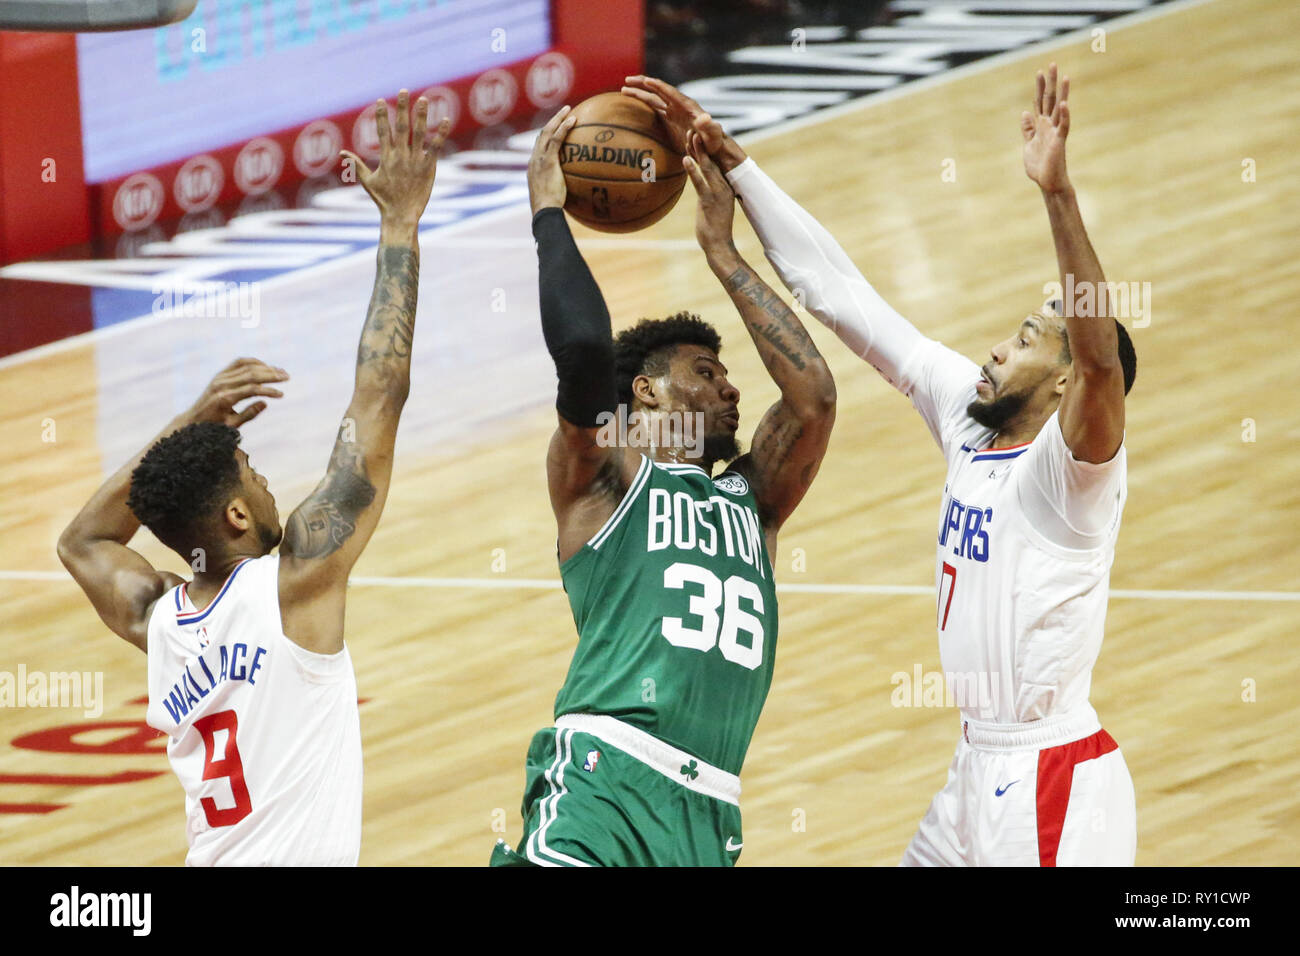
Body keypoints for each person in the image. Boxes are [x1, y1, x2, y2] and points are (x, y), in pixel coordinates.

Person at [623, 65, 1138, 866]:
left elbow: (1103, 362)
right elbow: (837, 289)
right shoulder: (969, 418)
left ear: (1066, 384)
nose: (1000, 346)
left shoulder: (1073, 476)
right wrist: (735, 163)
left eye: (1031, 338)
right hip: (976, 769)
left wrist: (1057, 195)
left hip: (1052, 778)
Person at [57, 91, 447, 866]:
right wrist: (400, 225)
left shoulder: (158, 621)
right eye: (256, 474)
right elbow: (380, 395)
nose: (271, 488)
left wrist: (196, 421)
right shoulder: (295, 582)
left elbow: (84, 539)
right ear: (237, 516)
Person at [491, 104, 836, 866]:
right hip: (603, 780)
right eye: (704, 374)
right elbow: (583, 350)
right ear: (645, 394)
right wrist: (550, 216)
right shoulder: (604, 476)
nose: (729, 392)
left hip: (710, 810)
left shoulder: (753, 501)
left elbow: (813, 396)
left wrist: (724, 253)